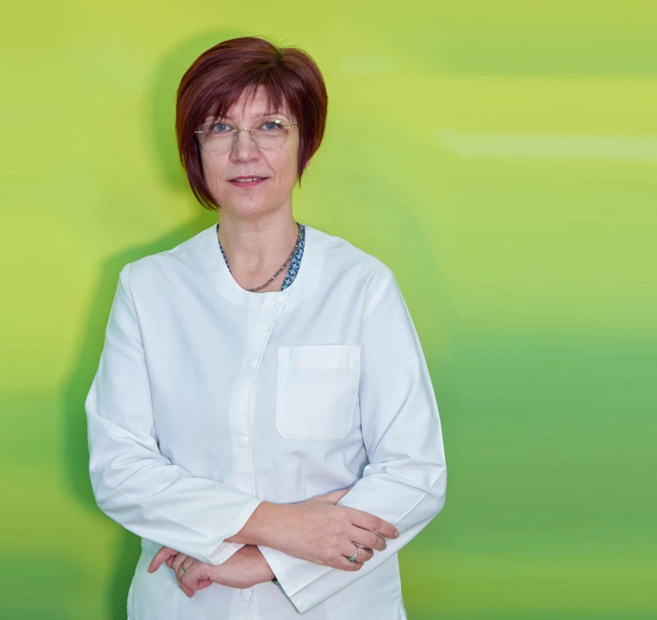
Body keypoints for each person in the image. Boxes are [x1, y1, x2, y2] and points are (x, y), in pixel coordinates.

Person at [86, 36, 446, 619]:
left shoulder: (362, 287)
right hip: (187, 601)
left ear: (306, 144)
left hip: (335, 603)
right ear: (195, 149)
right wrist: (277, 524)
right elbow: (121, 470)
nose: (244, 151)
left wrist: (265, 560)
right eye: (220, 128)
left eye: (271, 126)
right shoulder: (149, 289)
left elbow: (414, 474)